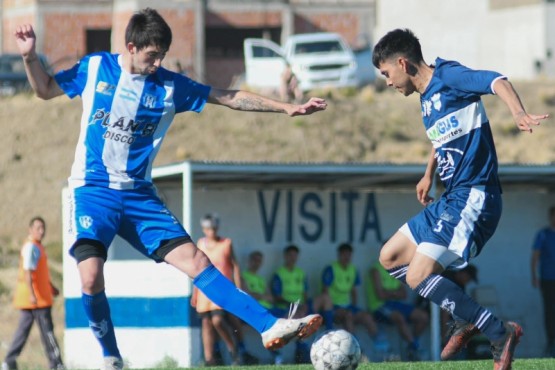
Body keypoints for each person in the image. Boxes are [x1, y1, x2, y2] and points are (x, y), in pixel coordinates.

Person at [14, 8, 325, 370]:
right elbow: (45, 89)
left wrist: (286, 108)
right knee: (90, 275)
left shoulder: (169, 86)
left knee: (197, 261)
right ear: (131, 47)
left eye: (161, 54)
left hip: (139, 196)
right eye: (152, 55)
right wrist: (29, 56)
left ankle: (271, 325)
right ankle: (111, 356)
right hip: (93, 190)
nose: (158, 62)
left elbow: (226, 96)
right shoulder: (96, 67)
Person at [372, 28, 549, 370]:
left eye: (386, 73)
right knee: (390, 257)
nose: (387, 82)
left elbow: (497, 80)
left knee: (417, 276)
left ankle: (498, 332)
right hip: (451, 197)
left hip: (475, 196)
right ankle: (464, 315)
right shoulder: (426, 99)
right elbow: (442, 138)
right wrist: (428, 173)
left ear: (402, 63)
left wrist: (517, 113)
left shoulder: (448, 75)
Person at [2, 217, 65, 370]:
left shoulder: (36, 246)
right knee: (48, 333)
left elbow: (38, 273)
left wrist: (51, 287)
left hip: (32, 299)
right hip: (37, 300)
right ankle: (56, 364)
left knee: (21, 334)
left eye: (43, 228)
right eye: (38, 228)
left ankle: (9, 362)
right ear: (30, 230)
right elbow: (28, 272)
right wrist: (33, 294)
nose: (41, 231)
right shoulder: (31, 247)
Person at [191, 213, 246, 365]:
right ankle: (209, 359)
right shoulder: (200, 244)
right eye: (209, 228)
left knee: (218, 320)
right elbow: (197, 269)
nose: (212, 231)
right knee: (206, 324)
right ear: (204, 229)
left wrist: (238, 288)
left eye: (214, 228)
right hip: (204, 290)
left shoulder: (226, 243)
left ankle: (233, 349)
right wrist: (194, 292)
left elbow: (235, 265)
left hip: (222, 289)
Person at [271, 245, 333, 364]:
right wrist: (294, 305)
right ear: (285, 256)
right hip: (287, 308)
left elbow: (304, 293)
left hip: (301, 306)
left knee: (325, 298)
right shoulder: (279, 274)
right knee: (299, 316)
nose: (293, 258)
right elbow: (277, 297)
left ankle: (329, 333)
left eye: (295, 255)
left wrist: (304, 304)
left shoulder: (300, 273)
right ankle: (301, 348)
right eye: (290, 255)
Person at [321, 243, 384, 348]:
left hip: (348, 306)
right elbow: (325, 292)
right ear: (339, 255)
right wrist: (333, 308)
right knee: (348, 316)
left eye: (349, 255)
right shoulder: (331, 269)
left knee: (367, 316)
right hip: (334, 307)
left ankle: (382, 348)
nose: (346, 257)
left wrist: (354, 307)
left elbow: (354, 292)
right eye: (344, 254)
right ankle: (354, 347)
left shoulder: (353, 269)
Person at [367, 260, 429, 361]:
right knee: (399, 316)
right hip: (379, 306)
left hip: (395, 304)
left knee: (423, 317)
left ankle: (411, 345)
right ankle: (414, 347)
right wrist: (395, 293)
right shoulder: (376, 269)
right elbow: (380, 295)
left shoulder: (396, 270)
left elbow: (404, 294)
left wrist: (388, 293)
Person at [531, 206, 555, 358]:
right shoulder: (543, 234)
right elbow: (535, 256)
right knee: (550, 312)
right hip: (548, 279)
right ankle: (551, 343)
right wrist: (534, 276)